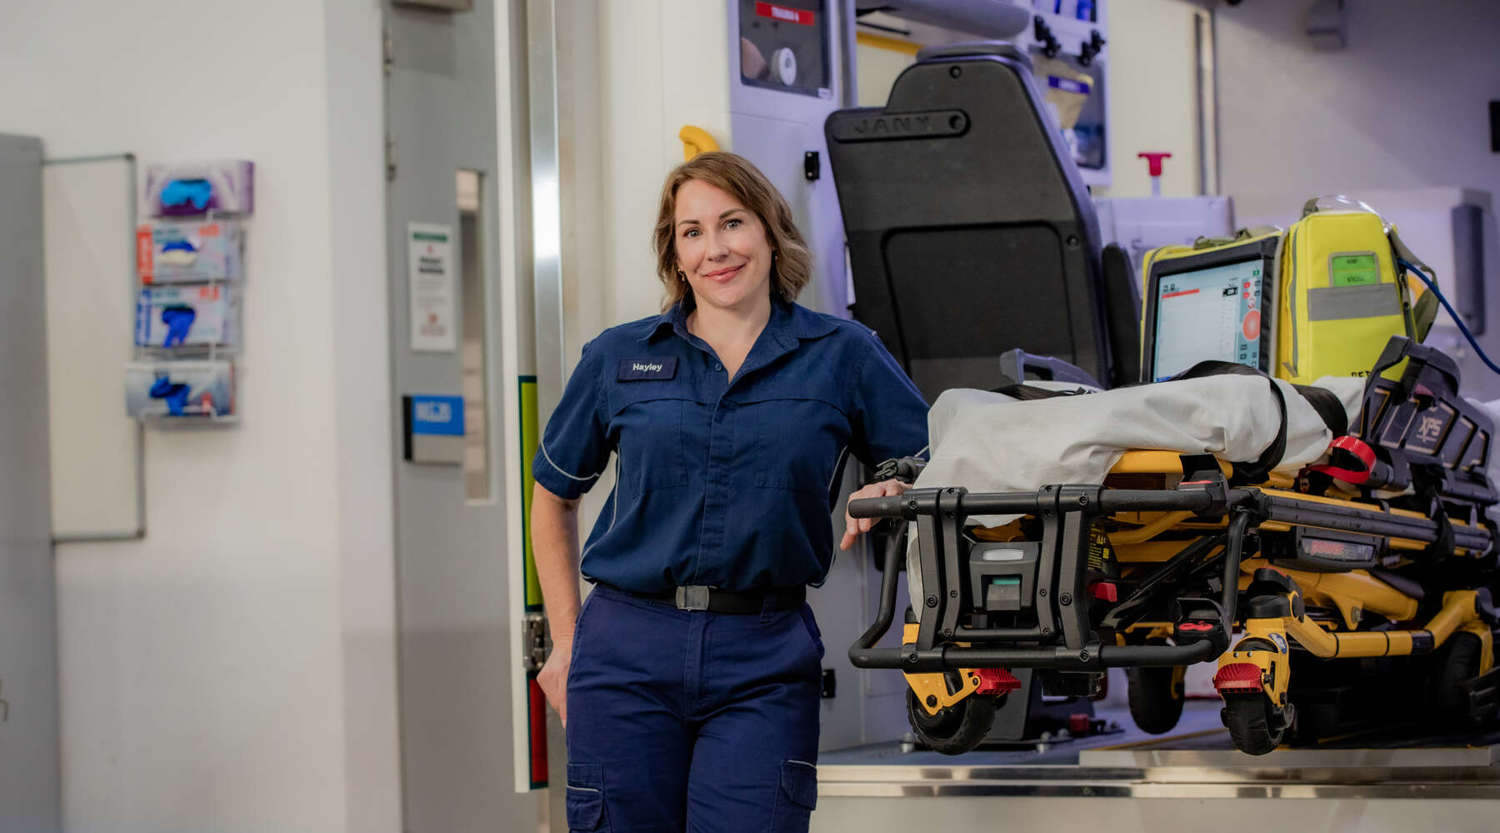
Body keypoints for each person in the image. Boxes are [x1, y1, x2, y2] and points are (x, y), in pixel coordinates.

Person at [530, 151, 928, 833]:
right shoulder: (618, 358)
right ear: (675, 254)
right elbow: (552, 499)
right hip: (626, 649)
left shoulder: (844, 354)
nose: (714, 248)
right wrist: (565, 645)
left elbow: (929, 457)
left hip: (765, 654)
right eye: (692, 232)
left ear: (771, 232)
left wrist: (897, 482)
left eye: (732, 223)